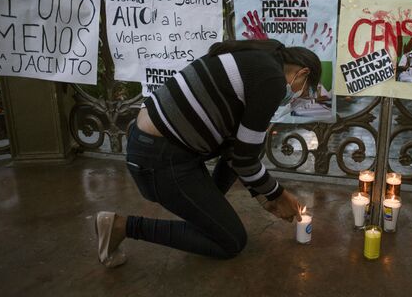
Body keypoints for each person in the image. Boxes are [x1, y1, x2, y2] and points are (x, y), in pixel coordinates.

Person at [95, 39, 322, 267]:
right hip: (158, 160)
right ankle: (121, 226)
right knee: (231, 241)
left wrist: (262, 195)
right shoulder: (272, 79)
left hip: (155, 146)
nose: (296, 97)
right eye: (303, 91)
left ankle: (208, 211)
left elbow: (241, 149)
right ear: (302, 72)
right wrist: (279, 195)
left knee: (250, 144)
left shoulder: (259, 60)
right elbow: (245, 161)